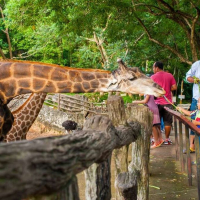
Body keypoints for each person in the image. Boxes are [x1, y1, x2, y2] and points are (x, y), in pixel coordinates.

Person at [151, 61, 177, 145]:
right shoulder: (170, 75)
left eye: (153, 68)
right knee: (168, 121)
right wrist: (167, 89)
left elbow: (150, 89)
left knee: (156, 122)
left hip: (156, 103)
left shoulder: (153, 77)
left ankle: (157, 139)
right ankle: (167, 139)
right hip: (168, 102)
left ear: (157, 68)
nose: (153, 69)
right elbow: (174, 87)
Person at [185, 60, 200, 152]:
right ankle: (192, 145)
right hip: (197, 98)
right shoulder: (197, 64)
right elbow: (187, 77)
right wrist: (194, 80)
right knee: (194, 120)